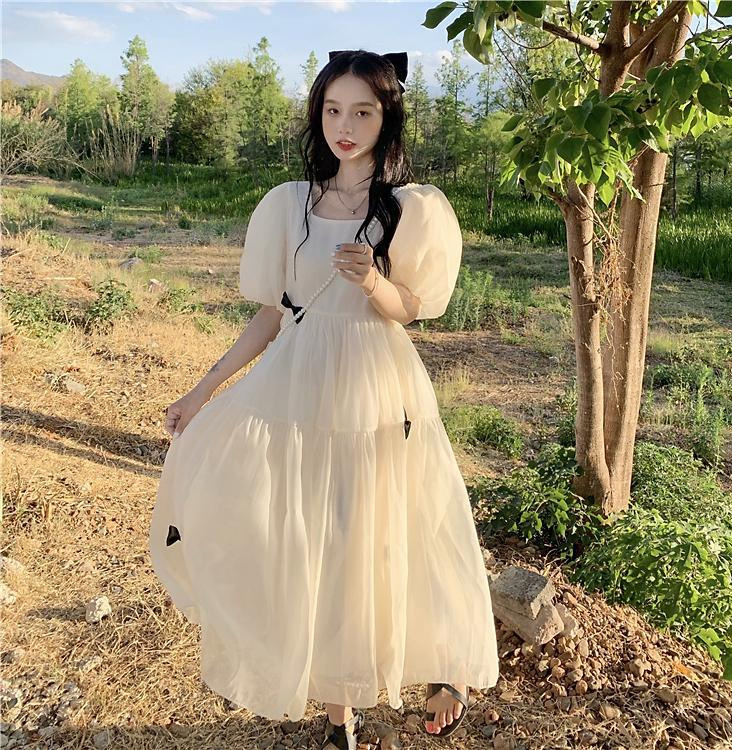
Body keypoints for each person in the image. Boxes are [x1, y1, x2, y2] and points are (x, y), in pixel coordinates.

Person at [149, 49, 499, 750]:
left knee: (397, 528)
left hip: (377, 390)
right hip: (299, 389)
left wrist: (373, 282)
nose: (346, 126)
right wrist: (202, 391)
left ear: (387, 118)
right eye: (334, 110)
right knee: (312, 543)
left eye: (363, 112)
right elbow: (272, 315)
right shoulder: (290, 204)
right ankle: (340, 717)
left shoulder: (412, 208)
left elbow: (410, 308)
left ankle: (443, 664)